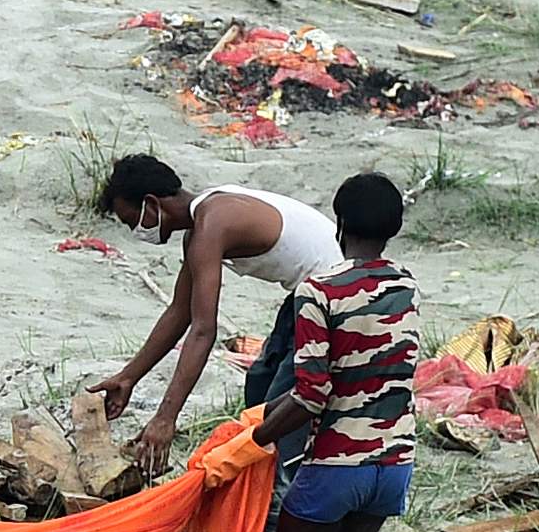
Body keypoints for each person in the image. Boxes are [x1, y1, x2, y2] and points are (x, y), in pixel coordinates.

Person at [244, 170, 418, 532]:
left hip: (336, 463)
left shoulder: (318, 292)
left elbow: (312, 392)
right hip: (393, 464)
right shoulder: (406, 286)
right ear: (393, 229)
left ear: (339, 222)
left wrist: (259, 437)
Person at [84, 153, 346, 481]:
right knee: (261, 382)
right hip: (309, 292)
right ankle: (261, 477)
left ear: (151, 205)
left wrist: (166, 418)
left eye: (130, 220)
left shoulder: (212, 224)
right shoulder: (202, 222)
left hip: (340, 298)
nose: (135, 231)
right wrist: (128, 377)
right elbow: (180, 312)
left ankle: (280, 499)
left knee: (283, 408)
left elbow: (203, 330)